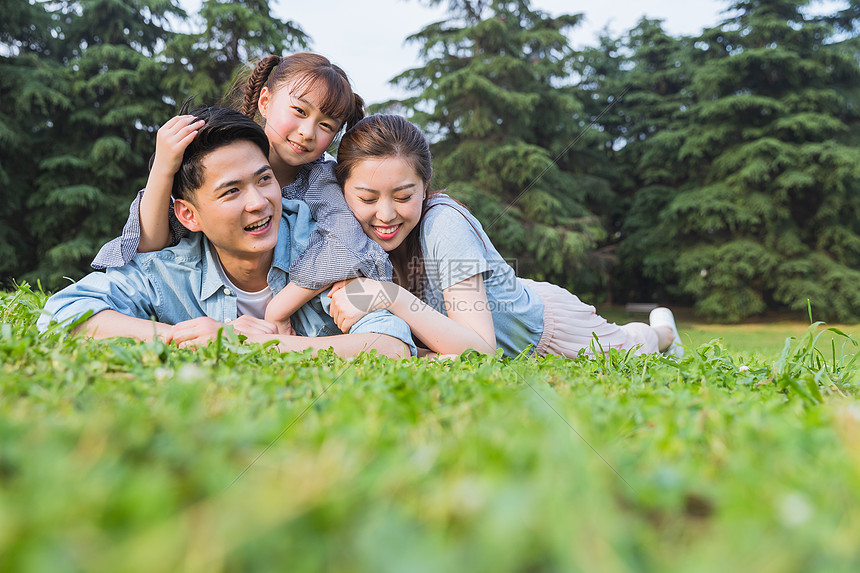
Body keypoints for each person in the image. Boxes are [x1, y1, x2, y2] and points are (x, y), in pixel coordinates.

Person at [38, 107, 415, 359]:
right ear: (188, 214)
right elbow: (61, 314)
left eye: (265, 179)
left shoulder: (322, 251)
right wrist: (195, 336)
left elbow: (392, 343)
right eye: (232, 191)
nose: (259, 202)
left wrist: (268, 344)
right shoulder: (169, 271)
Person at [324, 114, 684, 359]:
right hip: (510, 297)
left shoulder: (443, 224)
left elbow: (480, 351)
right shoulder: (348, 231)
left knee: (638, 344)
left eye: (403, 196)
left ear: (425, 186)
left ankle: (664, 328)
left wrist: (389, 296)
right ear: (343, 191)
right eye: (368, 198)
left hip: (548, 330)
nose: (386, 214)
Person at [91, 53, 392, 335]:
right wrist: (162, 168)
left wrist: (279, 308)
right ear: (265, 101)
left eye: (326, 125)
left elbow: (345, 239)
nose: (308, 132)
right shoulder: (219, 152)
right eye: (299, 111)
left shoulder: (321, 181)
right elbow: (150, 245)